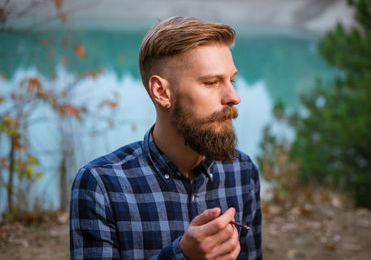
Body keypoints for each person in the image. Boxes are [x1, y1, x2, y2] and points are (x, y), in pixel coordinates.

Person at [70, 16, 262, 260]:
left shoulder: (242, 172)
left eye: (231, 80)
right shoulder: (101, 184)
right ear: (161, 92)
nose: (234, 97)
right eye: (212, 82)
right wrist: (182, 256)